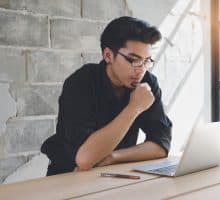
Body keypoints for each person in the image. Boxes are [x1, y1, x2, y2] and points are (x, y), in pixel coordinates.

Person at [41, 16, 172, 176]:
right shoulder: (81, 83)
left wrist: (113, 157)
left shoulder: (147, 82)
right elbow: (85, 159)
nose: (141, 70)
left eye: (146, 61)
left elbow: (161, 145)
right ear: (108, 55)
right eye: (134, 60)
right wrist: (134, 108)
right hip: (68, 176)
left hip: (114, 174)